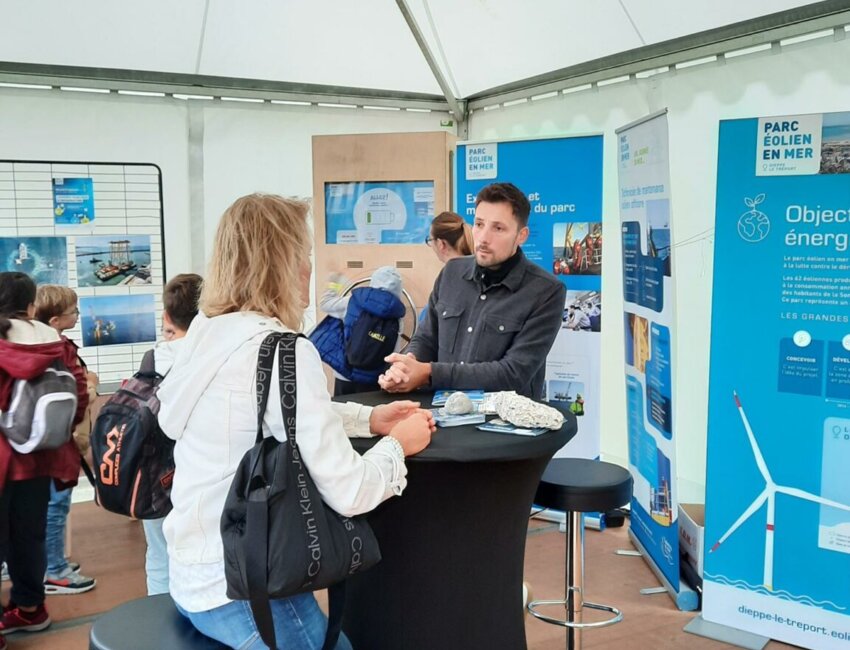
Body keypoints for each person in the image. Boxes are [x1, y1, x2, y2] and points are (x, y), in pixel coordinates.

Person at [157, 194, 434, 649]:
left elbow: (261, 412)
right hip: (244, 589)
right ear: (279, 265)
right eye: (302, 256)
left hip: (192, 574)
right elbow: (350, 492)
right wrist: (399, 445)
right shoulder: (284, 350)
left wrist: (369, 419)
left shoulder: (207, 335)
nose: (309, 268)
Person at [379, 182, 566, 399]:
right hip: (441, 416)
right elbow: (426, 338)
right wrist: (406, 367)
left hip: (503, 427)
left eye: (498, 228)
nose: (484, 238)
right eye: (479, 224)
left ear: (521, 235)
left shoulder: (546, 291)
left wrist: (429, 373)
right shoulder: (452, 272)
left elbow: (513, 373)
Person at [0, 272, 88, 640]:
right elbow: (79, 394)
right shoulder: (55, 342)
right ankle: (31, 608)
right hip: (40, 459)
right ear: (32, 306)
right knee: (28, 536)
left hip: (3, 460)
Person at [140, 273, 203, 597]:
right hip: (199, 470)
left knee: (158, 552)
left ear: (167, 317)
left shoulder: (154, 357)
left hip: (155, 471)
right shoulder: (209, 357)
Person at [33, 285, 98, 595]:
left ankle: (46, 560)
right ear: (57, 319)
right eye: (74, 312)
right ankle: (55, 569)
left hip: (34, 437)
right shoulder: (60, 348)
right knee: (57, 502)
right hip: (60, 437)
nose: (78, 316)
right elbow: (77, 392)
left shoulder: (27, 344)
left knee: (36, 502)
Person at [312, 266, 405, 396]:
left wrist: (334, 282)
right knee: (370, 414)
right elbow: (394, 352)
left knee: (344, 414)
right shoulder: (398, 316)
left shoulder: (352, 302)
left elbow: (325, 303)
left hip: (344, 373)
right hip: (374, 378)